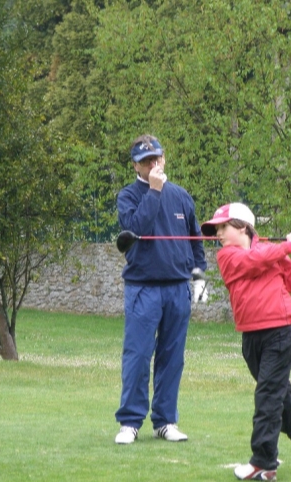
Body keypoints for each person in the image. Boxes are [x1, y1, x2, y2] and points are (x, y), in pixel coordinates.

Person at [200, 202, 291, 480]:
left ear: (242, 227)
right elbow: (253, 262)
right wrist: (287, 246)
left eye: (223, 226)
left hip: (280, 332)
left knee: (267, 396)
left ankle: (264, 462)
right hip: (250, 336)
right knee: (278, 396)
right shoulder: (228, 256)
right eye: (216, 228)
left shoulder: (273, 254)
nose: (217, 233)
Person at [114, 134, 207, 445]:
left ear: (164, 158)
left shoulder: (181, 196)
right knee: (138, 355)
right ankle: (130, 421)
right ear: (136, 166)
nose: (153, 164)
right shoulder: (128, 196)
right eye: (146, 161)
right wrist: (153, 191)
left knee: (172, 357)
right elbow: (136, 228)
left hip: (177, 288)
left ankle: (165, 421)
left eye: (157, 158)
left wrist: (199, 276)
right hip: (143, 287)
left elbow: (195, 240)